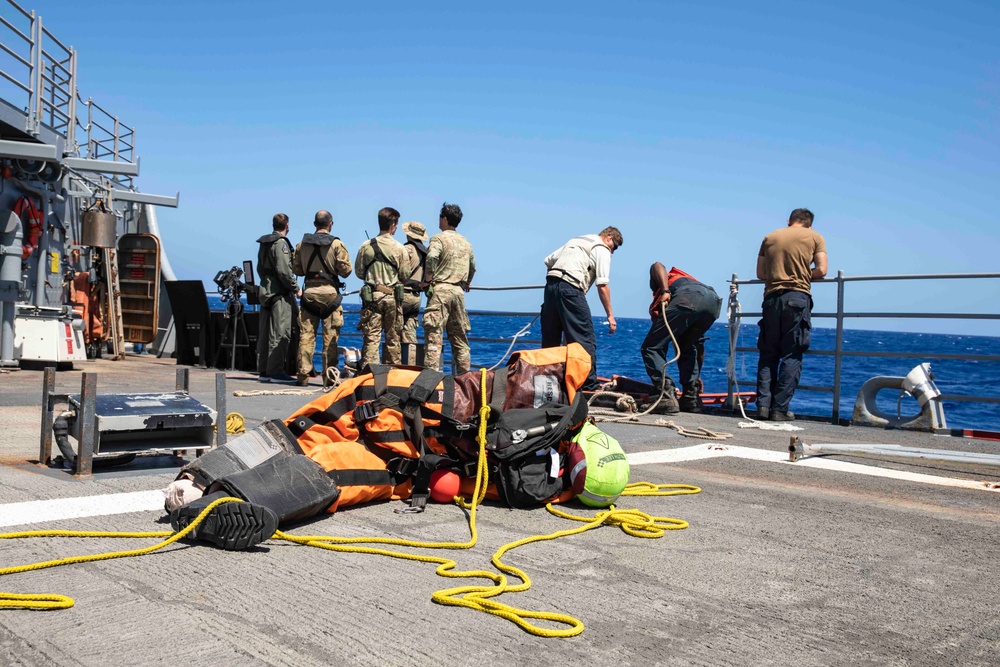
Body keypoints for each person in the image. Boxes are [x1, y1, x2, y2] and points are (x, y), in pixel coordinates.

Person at [755, 208, 828, 421]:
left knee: (768, 354)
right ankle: (779, 410)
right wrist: (802, 275)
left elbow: (761, 273)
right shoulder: (815, 237)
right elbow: (822, 270)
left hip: (771, 299)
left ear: (789, 221)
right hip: (797, 298)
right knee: (791, 354)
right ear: (810, 224)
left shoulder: (770, 236)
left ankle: (762, 407)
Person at [540, 227, 623, 391]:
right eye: (614, 247)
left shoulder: (576, 240)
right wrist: (610, 316)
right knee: (584, 338)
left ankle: (548, 384)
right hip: (571, 288)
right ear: (609, 238)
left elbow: (549, 261)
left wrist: (558, 285)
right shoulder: (602, 248)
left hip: (551, 287)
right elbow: (603, 285)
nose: (612, 252)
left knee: (551, 339)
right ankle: (588, 386)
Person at [640, 263, 722, 413]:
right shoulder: (686, 281)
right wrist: (695, 378)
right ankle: (690, 397)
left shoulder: (665, 291)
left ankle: (666, 396)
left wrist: (664, 290)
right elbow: (699, 346)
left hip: (689, 298)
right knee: (686, 345)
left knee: (650, 347)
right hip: (713, 302)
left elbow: (656, 265)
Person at [292, 210, 352, 386]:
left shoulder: (302, 244)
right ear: (330, 224)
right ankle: (329, 377)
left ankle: (303, 375)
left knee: (306, 336)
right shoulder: (337, 245)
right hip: (330, 296)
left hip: (309, 294)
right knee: (330, 339)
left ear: (314, 224)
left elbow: (297, 269)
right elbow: (346, 271)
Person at [422, 203, 476, 374]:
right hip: (458, 292)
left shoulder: (438, 239)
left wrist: (428, 279)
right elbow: (472, 266)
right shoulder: (466, 243)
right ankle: (465, 381)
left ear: (444, 219)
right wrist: (467, 282)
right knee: (460, 340)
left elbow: (431, 258)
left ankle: (430, 384)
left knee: (434, 339)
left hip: (440, 291)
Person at [354, 207, 406, 367]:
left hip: (372, 298)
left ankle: (369, 377)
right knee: (393, 340)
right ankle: (392, 376)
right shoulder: (399, 248)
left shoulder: (366, 246)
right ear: (392, 225)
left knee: (371, 338)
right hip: (391, 298)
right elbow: (405, 275)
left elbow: (359, 272)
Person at [256, 213, 299, 383]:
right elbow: (284, 271)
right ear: (287, 226)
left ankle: (264, 370)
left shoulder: (265, 243)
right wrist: (296, 288)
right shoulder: (281, 244)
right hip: (279, 294)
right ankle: (275, 371)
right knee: (281, 333)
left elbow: (260, 267)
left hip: (266, 291)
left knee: (265, 333)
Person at [400, 221, 429, 349]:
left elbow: (399, 271)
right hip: (416, 297)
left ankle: (395, 363)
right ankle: (411, 361)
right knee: (410, 332)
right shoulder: (425, 252)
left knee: (395, 332)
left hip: (403, 295)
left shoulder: (407, 249)